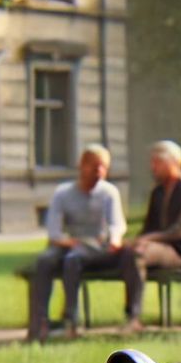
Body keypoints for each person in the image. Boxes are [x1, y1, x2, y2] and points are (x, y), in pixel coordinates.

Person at [27, 144, 127, 342]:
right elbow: (54, 230)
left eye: (104, 167)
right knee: (44, 260)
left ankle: (71, 320)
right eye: (95, 166)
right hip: (66, 243)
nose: (99, 172)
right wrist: (66, 241)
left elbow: (117, 223)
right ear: (82, 165)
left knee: (73, 259)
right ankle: (40, 322)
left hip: (94, 247)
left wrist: (115, 239)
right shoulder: (63, 193)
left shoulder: (109, 193)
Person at [129, 140, 181, 290]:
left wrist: (149, 239)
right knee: (128, 252)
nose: (153, 167)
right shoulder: (157, 192)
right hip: (159, 247)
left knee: (138, 255)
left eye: (157, 162)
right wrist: (137, 241)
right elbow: (149, 226)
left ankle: (133, 312)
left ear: (174, 162)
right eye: (152, 162)